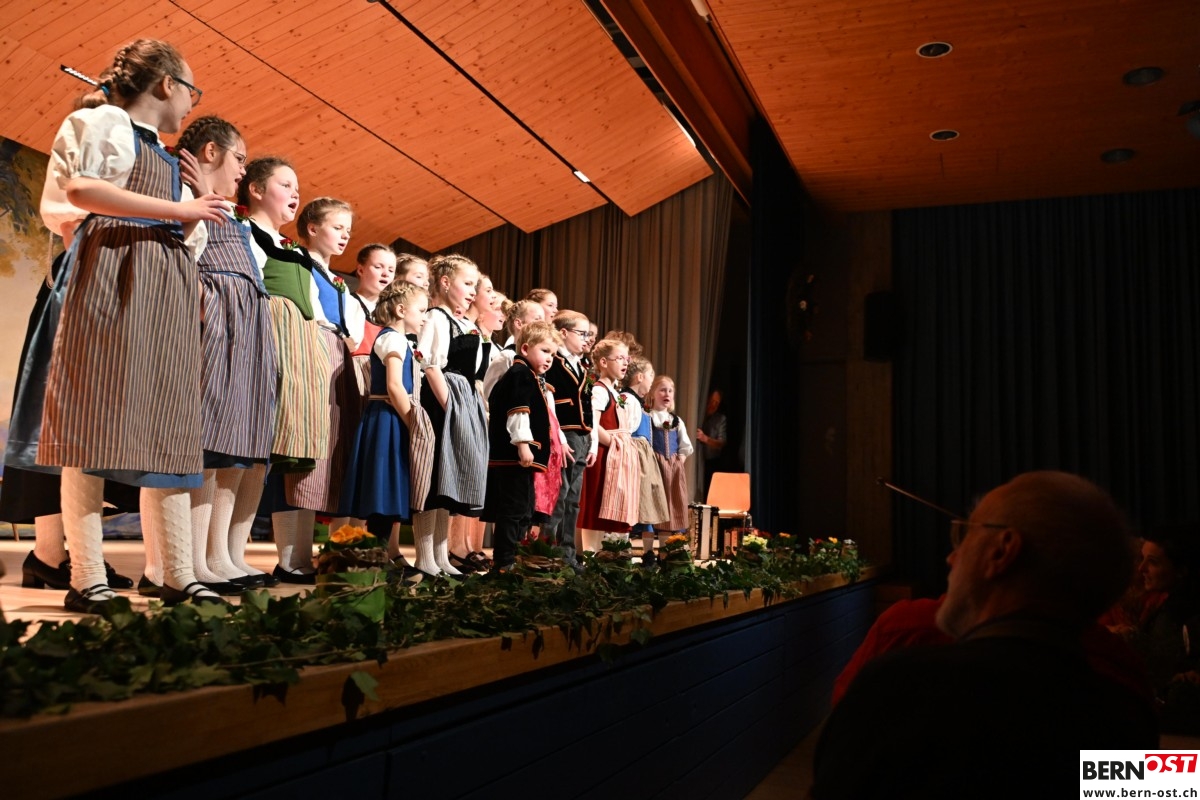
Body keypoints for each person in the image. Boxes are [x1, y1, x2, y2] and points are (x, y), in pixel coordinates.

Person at [13, 39, 229, 611]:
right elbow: (82, 190)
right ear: (166, 84)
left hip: (164, 289)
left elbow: (190, 236)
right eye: (191, 89)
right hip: (113, 276)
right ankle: (86, 578)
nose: (192, 103)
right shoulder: (105, 121)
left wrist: (200, 197)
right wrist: (183, 208)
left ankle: (176, 572)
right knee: (93, 424)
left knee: (169, 427)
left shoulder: (169, 157)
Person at [812, 472, 1159, 799]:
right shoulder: (1127, 696)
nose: (951, 557)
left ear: (1002, 550)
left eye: (965, 535)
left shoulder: (896, 684)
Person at [176, 115, 277, 593]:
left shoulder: (227, 212)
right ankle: (190, 560)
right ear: (211, 152)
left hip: (243, 331)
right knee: (208, 441)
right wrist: (205, 301)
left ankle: (216, 555)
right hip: (217, 325)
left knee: (232, 449)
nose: (243, 169)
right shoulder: (183, 192)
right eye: (240, 158)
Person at [240, 157, 331, 583]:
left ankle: (289, 557)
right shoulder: (245, 232)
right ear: (256, 189)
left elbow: (313, 305)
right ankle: (221, 554)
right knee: (247, 453)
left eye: (297, 187)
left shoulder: (294, 250)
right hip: (270, 342)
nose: (295, 193)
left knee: (288, 458)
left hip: (302, 350)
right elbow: (248, 290)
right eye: (285, 185)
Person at [412, 253, 488, 576]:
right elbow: (430, 365)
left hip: (462, 400)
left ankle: (441, 556)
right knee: (433, 481)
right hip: (442, 400)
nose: (473, 291)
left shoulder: (465, 324)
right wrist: (451, 408)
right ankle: (424, 558)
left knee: (449, 483)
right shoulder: (436, 318)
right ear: (445, 282)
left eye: (474, 285)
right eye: (467, 284)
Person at [339, 282, 427, 546]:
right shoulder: (393, 339)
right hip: (389, 418)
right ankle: (376, 552)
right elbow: (394, 386)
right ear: (401, 310)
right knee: (383, 486)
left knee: (389, 485)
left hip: (392, 416)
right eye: (421, 310)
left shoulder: (399, 339)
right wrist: (413, 422)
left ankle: (381, 552)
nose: (425, 317)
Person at [483, 321, 560, 571]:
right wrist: (523, 444)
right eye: (545, 351)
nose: (549, 358)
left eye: (553, 354)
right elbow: (518, 411)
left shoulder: (529, 375)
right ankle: (504, 561)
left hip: (519, 457)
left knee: (524, 508)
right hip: (514, 456)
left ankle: (515, 557)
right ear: (525, 348)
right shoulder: (520, 374)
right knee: (513, 508)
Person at [541, 310, 595, 570]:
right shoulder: (554, 362)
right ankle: (546, 552)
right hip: (565, 432)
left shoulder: (581, 364)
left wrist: (590, 436)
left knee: (573, 498)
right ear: (563, 333)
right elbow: (549, 401)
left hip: (582, 434)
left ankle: (568, 553)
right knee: (559, 494)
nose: (586, 339)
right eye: (581, 333)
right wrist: (559, 436)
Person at [577, 338, 638, 553]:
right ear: (603, 362)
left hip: (614, 455)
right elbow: (593, 423)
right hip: (603, 455)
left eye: (626, 358)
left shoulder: (614, 391)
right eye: (619, 358)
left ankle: (607, 556)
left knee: (608, 509)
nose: (625, 363)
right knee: (595, 507)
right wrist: (614, 442)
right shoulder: (599, 390)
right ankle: (589, 555)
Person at [623, 357, 671, 565]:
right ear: (640, 377)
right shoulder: (628, 400)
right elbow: (626, 431)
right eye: (651, 375)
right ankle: (620, 550)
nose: (652, 379)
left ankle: (649, 553)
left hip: (644, 458)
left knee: (647, 506)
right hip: (636, 457)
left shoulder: (641, 404)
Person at [648, 376, 693, 537]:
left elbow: (685, 446)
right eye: (662, 390)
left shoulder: (676, 420)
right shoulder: (648, 417)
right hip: (654, 468)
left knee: (671, 504)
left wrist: (678, 461)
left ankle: (665, 547)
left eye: (670, 391)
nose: (667, 393)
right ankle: (649, 546)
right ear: (652, 393)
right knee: (653, 504)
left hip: (673, 471)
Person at [695, 389, 727, 495]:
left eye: (717, 403)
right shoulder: (697, 413)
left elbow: (721, 443)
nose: (713, 405)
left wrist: (706, 439)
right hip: (694, 461)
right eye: (712, 401)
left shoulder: (720, 419)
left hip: (711, 463)